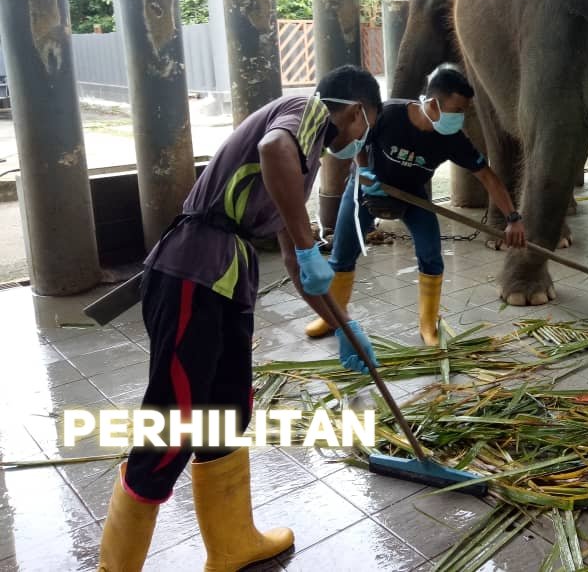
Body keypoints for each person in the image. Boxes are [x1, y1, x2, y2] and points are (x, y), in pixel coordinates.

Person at [97, 65, 382, 572]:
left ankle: (231, 545)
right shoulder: (303, 112)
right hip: (192, 272)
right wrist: (303, 238)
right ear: (357, 111)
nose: (358, 140)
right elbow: (274, 152)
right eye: (365, 127)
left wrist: (343, 325)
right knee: (173, 422)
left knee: (229, 411)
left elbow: (299, 266)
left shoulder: (308, 155)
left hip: (226, 282)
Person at [304, 63, 526, 347]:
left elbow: (488, 177)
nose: (461, 118)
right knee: (342, 253)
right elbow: (358, 140)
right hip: (367, 186)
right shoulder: (389, 114)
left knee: (431, 255)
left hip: (412, 196)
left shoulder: (453, 140)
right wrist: (363, 173)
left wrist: (513, 217)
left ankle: (428, 324)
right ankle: (332, 316)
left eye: (464, 112)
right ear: (433, 104)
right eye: (457, 111)